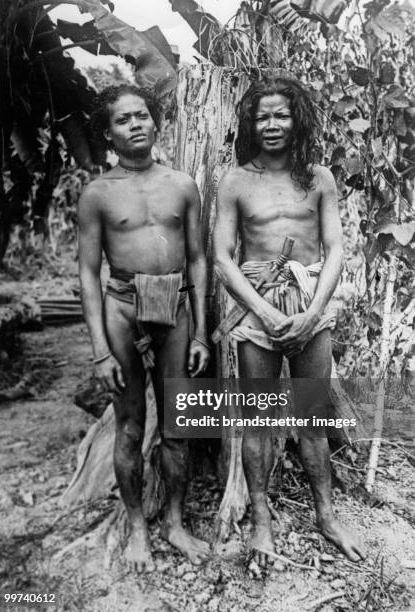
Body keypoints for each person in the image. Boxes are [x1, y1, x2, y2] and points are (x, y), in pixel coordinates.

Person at [213, 74, 366, 567]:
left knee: (312, 418)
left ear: (296, 118)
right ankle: (260, 523)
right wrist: (265, 312)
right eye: (262, 116)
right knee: (257, 424)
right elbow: (222, 257)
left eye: (281, 114)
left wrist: (313, 313)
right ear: (249, 123)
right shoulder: (236, 180)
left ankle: (326, 515)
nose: (272, 124)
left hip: (309, 305)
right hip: (258, 310)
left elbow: (336, 248)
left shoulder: (319, 178)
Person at [78, 85, 210, 572]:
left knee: (178, 427)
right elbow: (88, 274)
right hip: (123, 308)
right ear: (109, 133)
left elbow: (197, 259)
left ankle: (175, 523)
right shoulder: (98, 193)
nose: (134, 125)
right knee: (131, 426)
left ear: (156, 123)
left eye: (141, 116)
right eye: (122, 120)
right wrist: (99, 351)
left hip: (174, 308)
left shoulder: (182, 185)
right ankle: (137, 526)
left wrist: (199, 332)